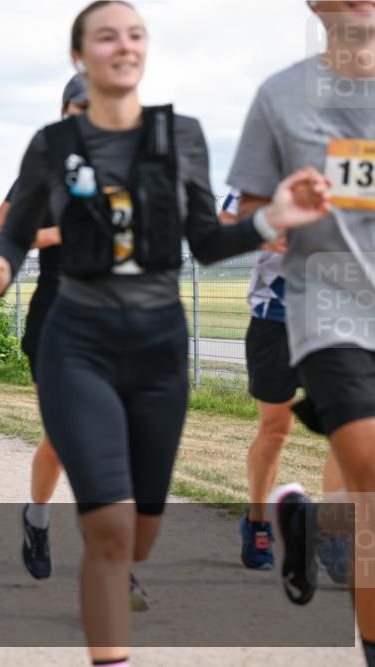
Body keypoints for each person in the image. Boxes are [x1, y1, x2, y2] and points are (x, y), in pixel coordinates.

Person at [0, 2, 332, 663]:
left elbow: (204, 237)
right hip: (69, 330)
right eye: (105, 36)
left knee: (137, 524)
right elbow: (10, 233)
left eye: (135, 34)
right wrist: (2, 263)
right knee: (99, 504)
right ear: (77, 67)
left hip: (155, 342)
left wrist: (265, 220)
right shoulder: (49, 153)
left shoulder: (176, 141)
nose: (124, 46)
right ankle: (68, 551)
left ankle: (251, 511)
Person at [225, 3, 375, 664]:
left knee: (359, 458)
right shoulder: (283, 100)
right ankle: (261, 516)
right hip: (289, 308)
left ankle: (324, 523)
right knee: (278, 429)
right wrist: (285, 215)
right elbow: (243, 211)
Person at [0, 73, 90, 586]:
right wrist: (58, 233)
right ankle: (39, 517)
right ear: (65, 111)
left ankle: (113, 561)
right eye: (82, 107)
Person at [224, 187, 348, 577]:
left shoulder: (354, 158)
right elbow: (228, 221)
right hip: (275, 317)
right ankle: (258, 520)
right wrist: (274, 234)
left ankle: (334, 534)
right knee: (275, 429)